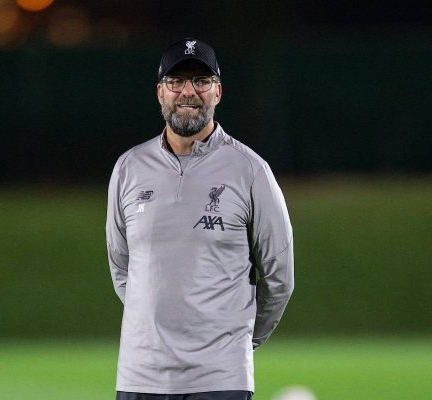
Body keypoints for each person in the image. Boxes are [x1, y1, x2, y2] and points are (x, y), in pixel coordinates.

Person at [106, 37, 295, 400]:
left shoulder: (250, 170)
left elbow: (279, 275)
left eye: (201, 81)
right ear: (160, 92)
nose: (188, 92)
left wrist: (240, 341)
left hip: (221, 378)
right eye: (176, 82)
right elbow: (121, 268)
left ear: (218, 92)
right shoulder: (129, 168)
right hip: (140, 377)